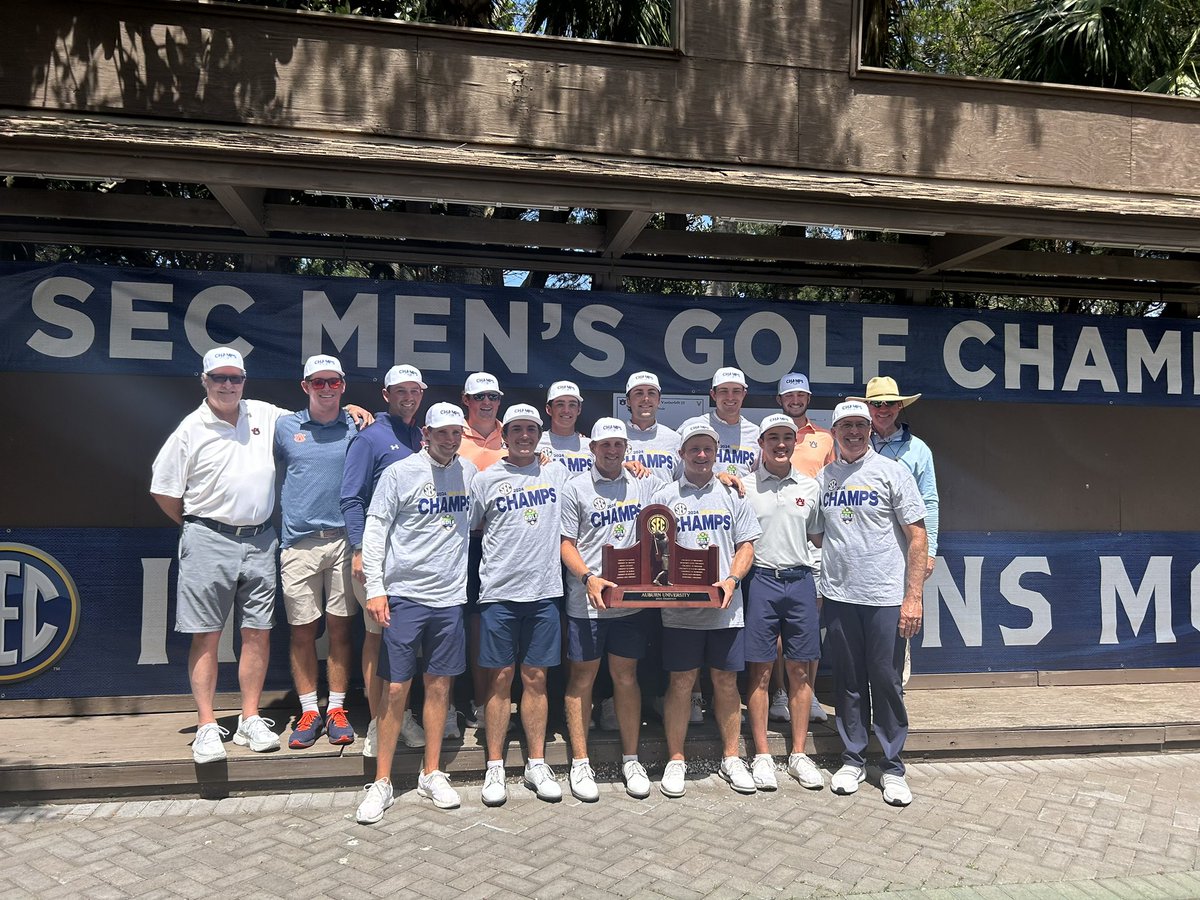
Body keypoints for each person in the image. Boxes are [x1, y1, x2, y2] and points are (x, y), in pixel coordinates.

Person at [150, 347, 367, 763]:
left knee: (257, 633)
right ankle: (207, 727)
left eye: (235, 377)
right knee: (207, 634)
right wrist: (199, 525)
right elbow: (163, 490)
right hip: (212, 537)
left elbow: (320, 411)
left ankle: (251, 718)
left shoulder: (266, 416)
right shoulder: (190, 428)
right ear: (205, 381)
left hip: (262, 540)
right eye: (219, 378)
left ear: (245, 381)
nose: (228, 385)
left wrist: (354, 408)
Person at [355, 403, 477, 822]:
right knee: (394, 689)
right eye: (441, 432)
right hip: (404, 595)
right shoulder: (399, 472)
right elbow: (374, 530)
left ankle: (431, 772)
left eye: (455, 432)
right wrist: (376, 588)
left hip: (449, 599)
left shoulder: (470, 474)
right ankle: (382, 781)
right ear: (425, 432)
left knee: (440, 688)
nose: (449, 439)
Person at [808, 401, 928, 807]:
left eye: (861, 425)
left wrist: (913, 597)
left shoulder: (893, 472)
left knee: (886, 682)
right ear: (835, 431)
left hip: (885, 597)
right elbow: (820, 535)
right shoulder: (826, 477)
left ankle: (892, 766)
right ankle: (853, 758)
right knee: (848, 681)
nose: (854, 432)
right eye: (846, 426)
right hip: (841, 596)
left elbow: (917, 536)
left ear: (869, 430)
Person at [650, 421, 761, 798]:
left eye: (707, 449)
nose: (701, 455)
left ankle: (732, 758)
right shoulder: (664, 495)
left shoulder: (734, 494)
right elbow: (650, 549)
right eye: (693, 449)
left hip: (725, 609)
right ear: (681, 454)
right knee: (681, 684)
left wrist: (731, 580)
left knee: (726, 683)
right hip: (679, 613)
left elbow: (746, 545)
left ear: (717, 454)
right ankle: (676, 759)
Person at [468, 404, 571, 806]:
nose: (525, 436)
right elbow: (471, 527)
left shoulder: (557, 473)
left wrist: (638, 470)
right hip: (498, 594)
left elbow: (600, 482)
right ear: (504, 435)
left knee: (536, 680)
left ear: (539, 434)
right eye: (517, 430)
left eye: (531, 429)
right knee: (498, 680)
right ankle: (495, 765)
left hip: (545, 593)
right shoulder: (486, 478)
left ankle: (536, 762)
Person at [559, 418, 657, 801]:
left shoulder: (643, 483)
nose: (612, 451)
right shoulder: (576, 488)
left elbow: (683, 496)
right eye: (605, 445)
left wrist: (728, 479)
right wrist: (588, 578)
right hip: (588, 600)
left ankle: (631, 759)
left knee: (626, 677)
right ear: (592, 449)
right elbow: (566, 543)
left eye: (619, 445)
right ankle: (580, 762)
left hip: (629, 603)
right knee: (582, 678)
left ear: (626, 449)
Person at [340, 363, 429, 757]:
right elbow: (351, 498)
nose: (408, 398)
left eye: (415, 391)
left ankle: (401, 714)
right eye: (401, 391)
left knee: (404, 642)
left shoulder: (420, 436)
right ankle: (379, 723)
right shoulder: (369, 438)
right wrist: (360, 549)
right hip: (376, 557)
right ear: (386, 395)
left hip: (412, 559)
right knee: (377, 639)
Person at [274, 355, 359, 749]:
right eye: (318, 382)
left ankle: (337, 709)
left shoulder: (358, 425)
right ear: (305, 386)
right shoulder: (283, 427)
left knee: (341, 628)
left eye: (333, 382)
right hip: (299, 544)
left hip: (344, 541)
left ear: (343, 385)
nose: (327, 389)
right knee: (303, 631)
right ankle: (310, 710)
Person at [741, 414, 824, 791]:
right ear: (760, 442)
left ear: (795, 443)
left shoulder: (810, 486)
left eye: (786, 438)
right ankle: (761, 755)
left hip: (801, 581)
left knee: (801, 671)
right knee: (759, 671)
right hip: (760, 581)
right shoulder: (742, 487)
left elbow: (819, 538)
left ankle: (798, 754)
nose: (780, 444)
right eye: (772, 437)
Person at [773, 372, 835, 725]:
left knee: (808, 625)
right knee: (778, 632)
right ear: (779, 400)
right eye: (789, 396)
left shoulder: (825, 439)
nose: (795, 400)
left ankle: (807, 694)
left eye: (801, 395)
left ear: (808, 398)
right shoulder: (767, 435)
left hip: (813, 542)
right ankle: (781, 694)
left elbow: (831, 487)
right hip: (778, 541)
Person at [456, 372, 508, 729]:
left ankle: (498, 702)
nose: (486, 402)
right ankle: (476, 701)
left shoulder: (518, 434)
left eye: (492, 396)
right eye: (479, 397)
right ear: (466, 400)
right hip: (464, 544)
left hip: (507, 544)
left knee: (496, 622)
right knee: (469, 625)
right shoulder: (449, 434)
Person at [851, 376, 940, 581]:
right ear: (867, 406)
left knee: (901, 610)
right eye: (876, 403)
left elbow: (929, 502)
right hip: (856, 550)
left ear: (899, 405)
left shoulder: (918, 449)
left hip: (900, 548)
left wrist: (930, 551)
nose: (883, 409)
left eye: (890, 402)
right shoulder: (849, 444)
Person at [678, 367, 760, 479]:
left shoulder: (755, 433)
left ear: (744, 394)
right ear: (713, 394)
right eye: (724, 391)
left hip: (743, 495)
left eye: (736, 391)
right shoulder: (691, 426)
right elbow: (673, 467)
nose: (730, 397)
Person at [623, 371, 681, 482]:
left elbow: (684, 483)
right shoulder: (615, 437)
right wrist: (620, 469)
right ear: (628, 401)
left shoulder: (675, 439)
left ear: (659, 400)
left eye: (651, 393)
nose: (646, 399)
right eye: (639, 393)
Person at [537, 380, 594, 475]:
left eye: (572, 405)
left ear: (579, 409)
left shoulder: (591, 446)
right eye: (560, 404)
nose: (566, 410)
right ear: (549, 409)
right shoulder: (535, 443)